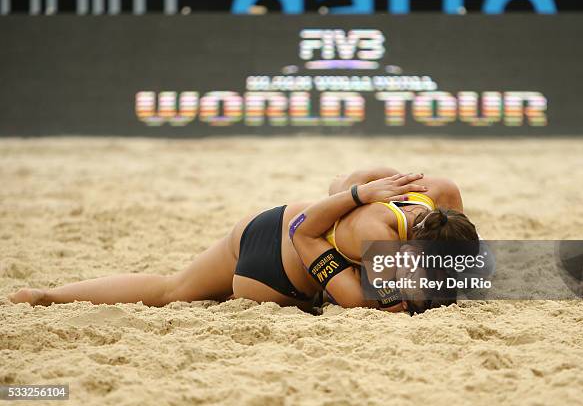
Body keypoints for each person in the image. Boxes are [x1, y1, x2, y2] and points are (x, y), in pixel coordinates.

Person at [9, 167, 478, 314]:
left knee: (172, 289)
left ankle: (44, 295)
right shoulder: (374, 237)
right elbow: (308, 236)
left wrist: (351, 194)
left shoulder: (439, 192)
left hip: (266, 220)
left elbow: (345, 179)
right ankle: (45, 295)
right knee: (372, 302)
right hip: (278, 272)